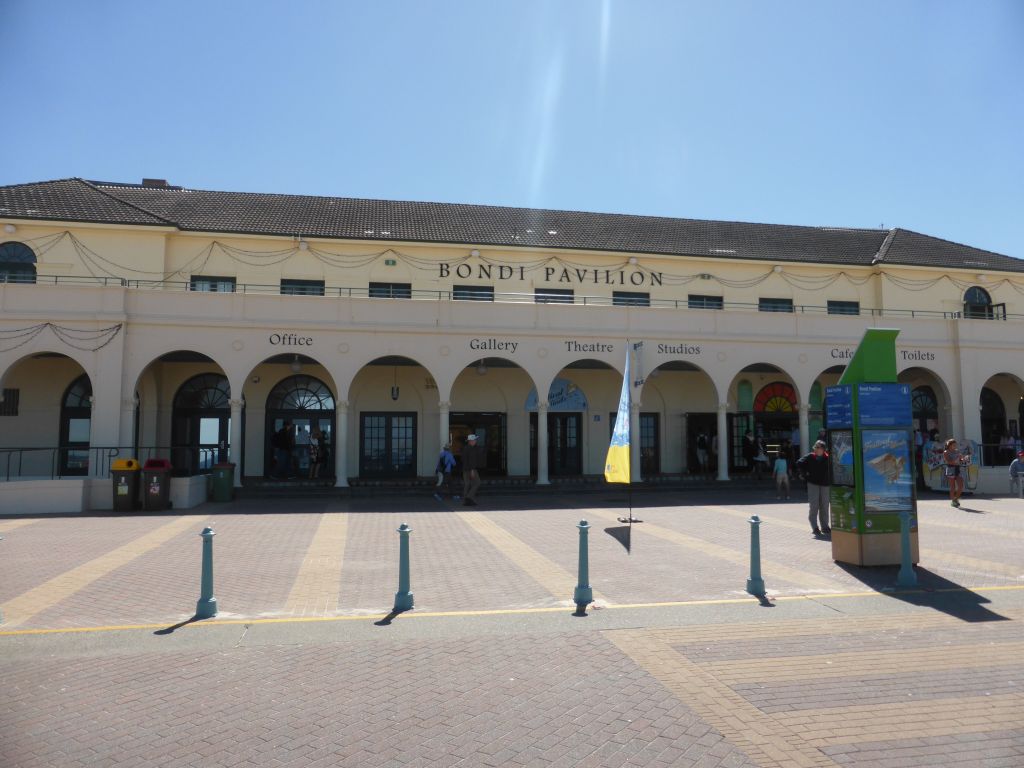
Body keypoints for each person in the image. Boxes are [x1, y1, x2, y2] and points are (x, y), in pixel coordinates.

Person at [796, 439, 830, 536]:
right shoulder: (810, 456)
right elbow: (799, 463)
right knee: (814, 505)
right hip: (813, 484)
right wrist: (805, 474)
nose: (817, 449)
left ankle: (825, 526)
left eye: (819, 447)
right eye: (816, 447)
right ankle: (815, 527)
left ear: (823, 449)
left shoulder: (828, 458)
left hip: (825, 484)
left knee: (824, 505)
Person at [460, 433, 484, 506]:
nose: (476, 441)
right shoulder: (472, 449)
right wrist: (472, 470)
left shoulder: (465, 448)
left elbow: (463, 459)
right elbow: (472, 460)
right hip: (471, 469)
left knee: (467, 484)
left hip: (465, 469)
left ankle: (466, 501)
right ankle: (469, 497)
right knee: (477, 482)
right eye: (474, 440)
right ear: (471, 441)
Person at [943, 437, 968, 507]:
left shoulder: (957, 451)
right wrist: (956, 461)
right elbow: (949, 462)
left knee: (960, 486)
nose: (955, 446)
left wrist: (964, 459)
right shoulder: (946, 452)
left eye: (955, 445)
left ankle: (955, 499)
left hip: (957, 469)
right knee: (952, 487)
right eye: (954, 445)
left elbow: (961, 459)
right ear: (949, 445)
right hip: (950, 470)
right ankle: (953, 501)